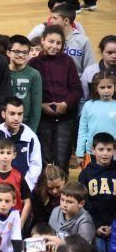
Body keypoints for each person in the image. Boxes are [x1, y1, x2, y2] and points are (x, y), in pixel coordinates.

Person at [29, 25, 83, 172]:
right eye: (50, 41)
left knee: (62, 159)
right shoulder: (33, 64)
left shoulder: (67, 61)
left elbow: (76, 90)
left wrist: (65, 104)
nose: (54, 46)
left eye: (58, 43)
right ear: (42, 41)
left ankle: (62, 195)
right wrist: (41, 105)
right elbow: (30, 93)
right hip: (43, 118)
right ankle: (44, 193)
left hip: (65, 117)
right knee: (44, 159)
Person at [0, 97, 43, 190]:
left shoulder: (31, 137)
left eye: (20, 114)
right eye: (12, 114)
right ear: (3, 114)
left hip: (23, 189)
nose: (16, 118)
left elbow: (36, 165)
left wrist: (24, 187)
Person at [78, 132, 116, 252]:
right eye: (101, 149)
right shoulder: (85, 174)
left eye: (109, 149)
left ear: (114, 150)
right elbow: (83, 204)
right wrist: (96, 226)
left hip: (114, 224)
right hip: (94, 225)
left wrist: (113, 225)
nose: (105, 153)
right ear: (93, 150)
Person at [6, 35, 43, 132]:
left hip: (25, 125)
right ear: (8, 53)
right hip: (3, 124)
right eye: (17, 51)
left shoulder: (34, 75)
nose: (21, 55)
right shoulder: (2, 72)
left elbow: (36, 108)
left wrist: (30, 132)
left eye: (25, 52)